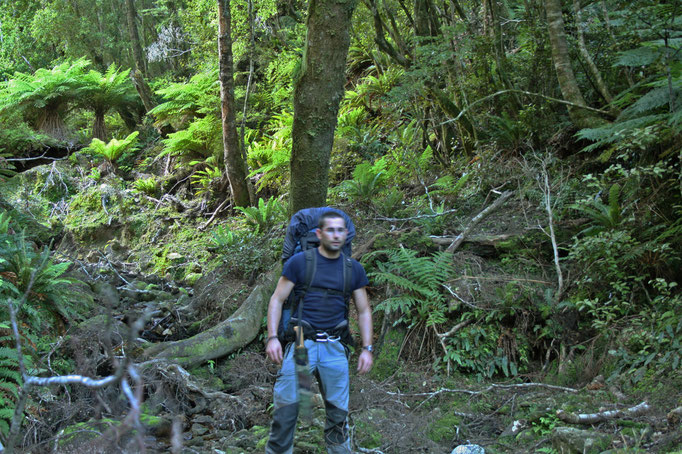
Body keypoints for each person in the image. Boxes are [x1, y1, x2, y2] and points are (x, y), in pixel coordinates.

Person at [264, 210, 374, 454]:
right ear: (319, 233)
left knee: (338, 417)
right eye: (330, 230)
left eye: (340, 230)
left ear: (346, 234)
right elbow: (277, 300)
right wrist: (272, 338)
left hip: (336, 347)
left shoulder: (353, 269)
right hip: (301, 343)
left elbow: (364, 310)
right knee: (285, 413)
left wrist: (367, 348)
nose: (336, 235)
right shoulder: (299, 263)